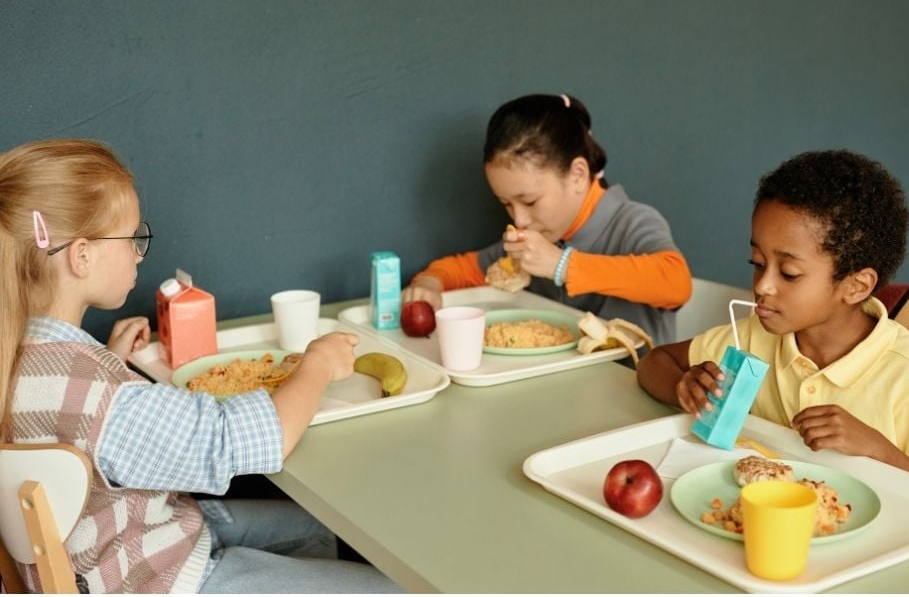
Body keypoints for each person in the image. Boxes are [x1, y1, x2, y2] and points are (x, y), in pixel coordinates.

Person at [0, 139, 399, 593]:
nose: (136, 252)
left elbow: (76, 408)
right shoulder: (103, 396)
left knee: (317, 530)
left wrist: (111, 359)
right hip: (160, 578)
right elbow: (240, 439)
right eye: (132, 238)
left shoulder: (24, 355)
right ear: (82, 255)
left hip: (130, 543)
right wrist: (319, 364)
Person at [636, 150, 909, 488]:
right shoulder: (752, 337)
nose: (762, 285)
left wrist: (877, 448)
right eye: (757, 263)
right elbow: (654, 362)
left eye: (790, 273)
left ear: (855, 286)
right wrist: (684, 388)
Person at [402, 93, 692, 346]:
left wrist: (561, 265)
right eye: (506, 204)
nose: (520, 219)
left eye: (529, 201)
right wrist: (430, 282)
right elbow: (463, 269)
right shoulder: (534, 243)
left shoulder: (631, 221)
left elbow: (677, 283)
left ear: (578, 175)